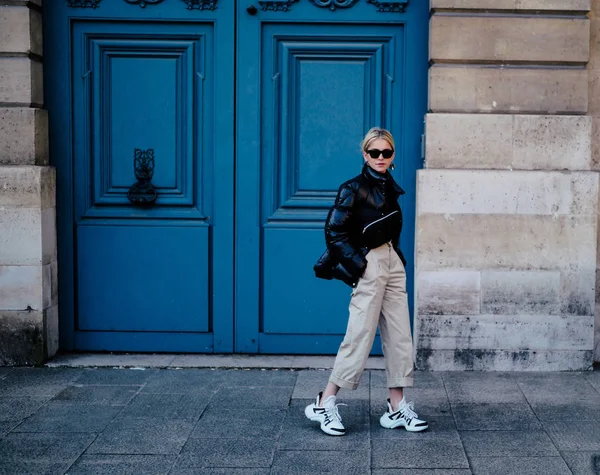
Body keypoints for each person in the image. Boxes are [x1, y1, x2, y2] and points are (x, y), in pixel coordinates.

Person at [306, 127, 428, 436]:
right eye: (374, 152)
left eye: (386, 153)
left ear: (393, 155)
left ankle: (397, 406)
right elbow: (334, 232)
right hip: (370, 262)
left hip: (392, 261)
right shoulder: (353, 187)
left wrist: (395, 259)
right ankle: (325, 401)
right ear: (365, 154)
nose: (380, 158)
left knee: (400, 335)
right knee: (359, 333)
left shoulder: (390, 187)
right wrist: (360, 265)